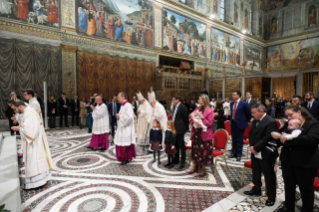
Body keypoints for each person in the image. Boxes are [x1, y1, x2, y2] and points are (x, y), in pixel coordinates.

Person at [272, 105, 319, 212]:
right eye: (287, 115)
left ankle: (307, 209)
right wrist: (278, 136)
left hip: (306, 162)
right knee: (289, 186)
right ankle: (289, 207)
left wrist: (287, 138)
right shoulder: (290, 124)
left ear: (299, 112)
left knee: (305, 189)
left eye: (290, 114)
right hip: (288, 160)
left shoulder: (313, 124)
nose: (289, 118)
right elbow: (279, 138)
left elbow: (310, 140)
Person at [11, 101, 53, 190]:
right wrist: (22, 127)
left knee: (35, 161)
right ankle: (38, 182)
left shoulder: (29, 113)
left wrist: (20, 129)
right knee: (35, 162)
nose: (15, 112)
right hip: (36, 141)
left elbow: (30, 132)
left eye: (15, 109)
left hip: (34, 143)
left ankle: (36, 183)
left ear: (20, 106)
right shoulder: (28, 111)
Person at [243, 103, 278, 207]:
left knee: (269, 175)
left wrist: (256, 148)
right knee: (256, 171)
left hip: (266, 152)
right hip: (255, 151)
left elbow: (267, 137)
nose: (252, 114)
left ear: (261, 111)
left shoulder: (271, 122)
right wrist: (251, 146)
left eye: (254, 112)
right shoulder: (256, 121)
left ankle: (271, 196)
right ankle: (256, 189)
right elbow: (251, 133)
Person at [189, 94, 215, 177]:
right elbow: (191, 117)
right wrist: (193, 120)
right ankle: (195, 166)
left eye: (199, 99)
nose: (198, 100)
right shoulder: (197, 108)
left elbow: (210, 123)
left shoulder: (210, 111)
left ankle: (203, 168)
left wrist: (202, 117)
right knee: (196, 149)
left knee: (204, 151)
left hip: (205, 134)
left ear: (204, 100)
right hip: (196, 132)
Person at [114, 92, 136, 165]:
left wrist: (120, 116)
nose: (118, 99)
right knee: (122, 144)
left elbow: (130, 118)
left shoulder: (128, 105)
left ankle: (125, 158)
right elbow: (122, 115)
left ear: (123, 97)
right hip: (122, 128)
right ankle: (124, 158)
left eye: (119, 97)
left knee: (125, 145)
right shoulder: (123, 105)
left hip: (126, 128)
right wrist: (119, 115)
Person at [230, 90, 251, 161]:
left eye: (234, 94)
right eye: (232, 95)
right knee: (234, 139)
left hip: (241, 123)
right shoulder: (232, 103)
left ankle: (239, 154)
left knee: (240, 139)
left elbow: (248, 113)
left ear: (238, 96)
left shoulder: (243, 103)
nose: (232, 96)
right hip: (233, 123)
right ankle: (234, 152)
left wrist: (245, 120)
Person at [171, 95, 189, 169]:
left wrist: (186, 129)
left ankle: (183, 161)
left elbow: (186, 119)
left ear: (178, 100)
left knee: (181, 145)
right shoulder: (175, 107)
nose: (172, 101)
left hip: (180, 129)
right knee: (176, 145)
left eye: (173, 100)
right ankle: (176, 159)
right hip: (175, 128)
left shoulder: (183, 107)